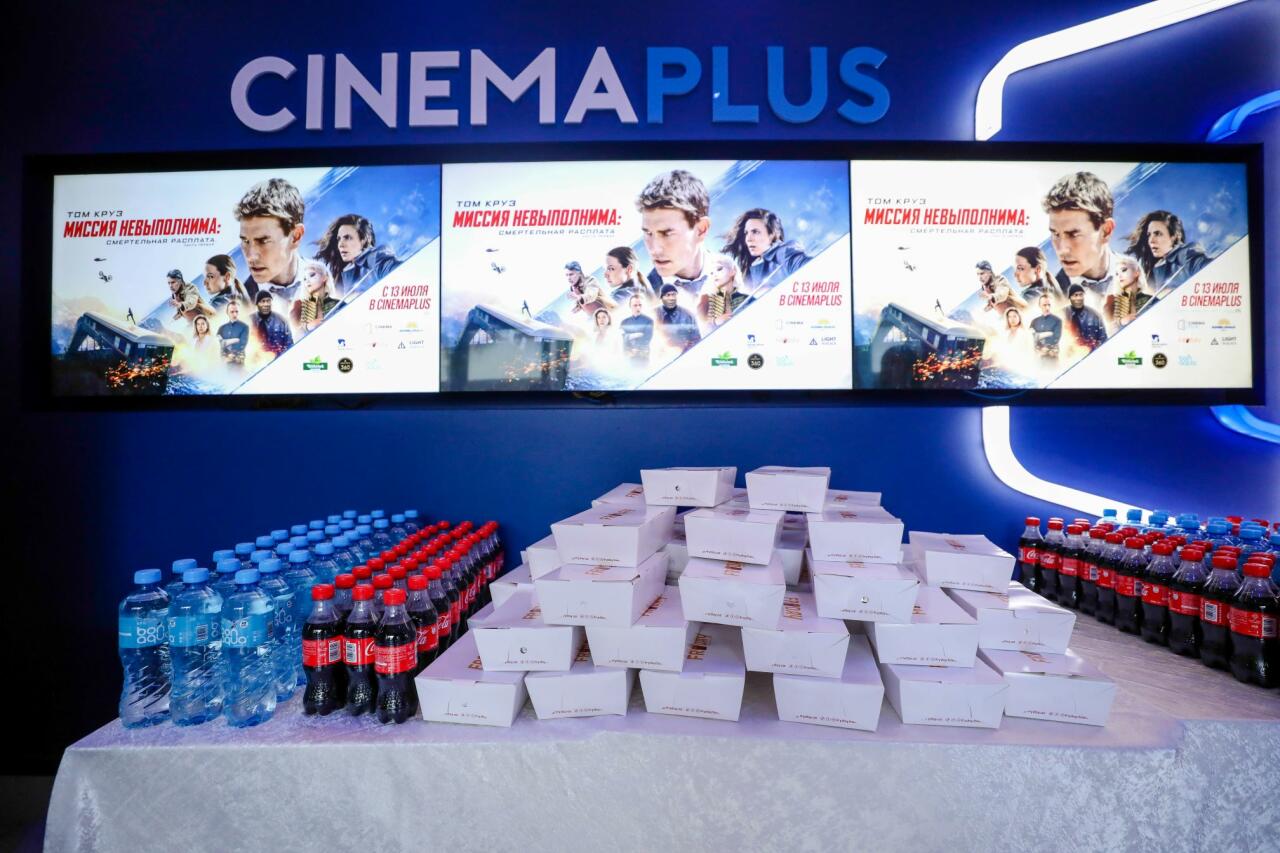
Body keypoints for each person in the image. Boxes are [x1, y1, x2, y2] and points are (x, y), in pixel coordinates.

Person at [1042, 172, 1121, 305]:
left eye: (1073, 234)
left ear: (1106, 231)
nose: (1062, 250)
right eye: (1056, 234)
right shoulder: (1052, 302)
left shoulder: (1143, 274)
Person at [637, 170, 712, 303]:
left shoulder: (737, 272)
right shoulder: (643, 303)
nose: (654, 249)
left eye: (667, 233)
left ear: (701, 230)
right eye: (648, 233)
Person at [235, 178, 307, 311]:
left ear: (296, 236)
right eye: (245, 241)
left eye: (263, 241)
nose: (250, 257)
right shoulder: (239, 309)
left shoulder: (331, 279)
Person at [720, 208, 810, 293]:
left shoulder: (784, 252)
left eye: (755, 232)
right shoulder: (752, 268)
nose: (748, 239)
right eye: (746, 233)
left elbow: (809, 268)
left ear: (772, 234)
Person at [315, 213, 401, 298]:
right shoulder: (347, 272)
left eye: (347, 237)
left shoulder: (375, 257)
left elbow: (397, 272)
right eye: (339, 239)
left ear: (363, 240)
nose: (340, 244)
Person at [1126, 210, 1211, 293]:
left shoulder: (1185, 253)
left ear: (1173, 236)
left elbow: (1207, 269)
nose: (1151, 240)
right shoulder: (1157, 268)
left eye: (1158, 234)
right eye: (1149, 235)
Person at [697, 254, 750, 327]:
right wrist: (715, 322)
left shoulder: (746, 299)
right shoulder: (706, 302)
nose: (714, 274)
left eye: (719, 269)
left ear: (732, 271)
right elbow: (701, 328)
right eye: (711, 273)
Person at [290, 260, 340, 334]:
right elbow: (296, 336)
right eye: (304, 279)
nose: (307, 281)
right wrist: (307, 327)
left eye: (312, 275)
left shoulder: (337, 304)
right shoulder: (299, 308)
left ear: (324, 277)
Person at [1104, 255, 1152, 330]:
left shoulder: (1150, 299)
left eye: (1123, 270)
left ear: (1136, 273)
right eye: (1116, 274)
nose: (1119, 276)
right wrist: (1121, 322)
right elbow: (1108, 330)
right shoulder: (1112, 303)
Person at [655, 283, 701, 352]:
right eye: (668, 295)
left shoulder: (687, 315)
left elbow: (696, 338)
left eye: (674, 294)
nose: (671, 298)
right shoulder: (653, 313)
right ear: (662, 297)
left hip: (683, 352)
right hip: (660, 353)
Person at [1063, 283, 1107, 352]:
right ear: (1070, 297)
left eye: (1081, 295)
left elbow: (1103, 338)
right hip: (1070, 355)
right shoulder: (1062, 314)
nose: (1079, 298)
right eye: (1075, 295)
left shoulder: (1094, 315)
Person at [250, 290, 293, 356]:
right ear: (257, 304)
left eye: (268, 301)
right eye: (263, 301)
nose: (266, 304)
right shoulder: (248, 321)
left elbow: (289, 344)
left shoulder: (282, 321)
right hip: (255, 360)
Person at [619, 294, 654, 368]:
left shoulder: (649, 321)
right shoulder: (624, 322)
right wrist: (633, 336)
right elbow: (621, 339)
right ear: (630, 306)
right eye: (635, 305)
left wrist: (636, 348)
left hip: (643, 356)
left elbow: (647, 338)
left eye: (640, 305)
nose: (638, 307)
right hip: (628, 357)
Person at [1029, 294, 1062, 364]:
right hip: (1037, 359)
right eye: (1044, 305)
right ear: (1039, 305)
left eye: (1049, 305)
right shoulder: (1034, 321)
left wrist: (1038, 336)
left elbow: (1056, 338)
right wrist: (1049, 333)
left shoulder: (1057, 320)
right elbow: (1030, 337)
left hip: (1052, 358)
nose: (1047, 307)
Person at [217, 301, 250, 366]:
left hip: (238, 361)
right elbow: (218, 344)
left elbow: (242, 344)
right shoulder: (221, 328)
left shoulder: (244, 326)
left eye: (236, 311)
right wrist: (236, 340)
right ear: (227, 312)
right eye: (232, 312)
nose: (235, 314)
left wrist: (225, 342)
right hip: (223, 362)